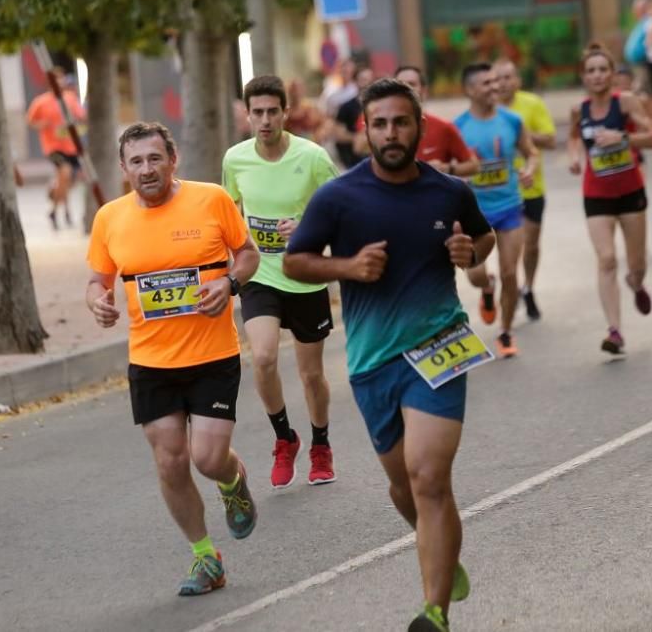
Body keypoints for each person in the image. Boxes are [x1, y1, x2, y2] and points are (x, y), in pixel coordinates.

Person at [284, 78, 496, 632]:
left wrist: (469, 252)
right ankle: (443, 556)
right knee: (403, 486)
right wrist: (347, 268)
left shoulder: (448, 191)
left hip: (439, 346)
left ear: (420, 127)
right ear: (365, 129)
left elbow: (483, 236)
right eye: (380, 123)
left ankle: (435, 612)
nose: (391, 133)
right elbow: (295, 262)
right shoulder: (338, 198)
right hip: (372, 361)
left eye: (401, 122)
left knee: (428, 478)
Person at [86, 122, 260, 596]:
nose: (147, 169)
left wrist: (229, 283)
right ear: (123, 168)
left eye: (154, 158)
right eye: (137, 161)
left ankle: (231, 479)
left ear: (172, 159)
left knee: (206, 458)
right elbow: (97, 280)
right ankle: (206, 560)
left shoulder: (210, 200)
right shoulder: (110, 218)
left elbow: (247, 253)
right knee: (169, 462)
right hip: (151, 360)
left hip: (212, 353)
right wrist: (97, 301)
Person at [222, 75, 340, 488]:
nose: (266, 120)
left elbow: (342, 210)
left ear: (286, 112)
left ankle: (320, 445)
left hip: (304, 275)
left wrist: (308, 227)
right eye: (258, 112)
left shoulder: (313, 158)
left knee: (311, 375)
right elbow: (230, 213)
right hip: (261, 275)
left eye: (273, 111)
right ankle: (284, 438)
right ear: (247, 115)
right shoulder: (235, 160)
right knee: (265, 357)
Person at [568, 44, 652, 355]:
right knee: (606, 259)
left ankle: (635, 284)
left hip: (631, 192)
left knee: (636, 265)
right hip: (596, 194)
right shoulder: (577, 110)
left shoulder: (625, 104)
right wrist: (574, 157)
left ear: (611, 74)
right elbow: (572, 137)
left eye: (602, 69)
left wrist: (622, 138)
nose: (597, 75)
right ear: (583, 76)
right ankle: (615, 331)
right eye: (590, 70)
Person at [454, 63, 538, 357]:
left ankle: (505, 331)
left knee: (509, 272)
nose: (493, 87)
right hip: (474, 214)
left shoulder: (512, 120)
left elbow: (531, 153)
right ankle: (487, 288)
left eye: (494, 82)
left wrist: (528, 169)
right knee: (475, 275)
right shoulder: (459, 127)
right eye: (485, 84)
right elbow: (450, 168)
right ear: (469, 90)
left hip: (509, 207)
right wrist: (457, 175)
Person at [494, 58, 557, 320]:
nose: (504, 83)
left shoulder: (531, 104)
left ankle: (528, 287)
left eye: (509, 77)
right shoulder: (488, 110)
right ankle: (512, 288)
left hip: (531, 189)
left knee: (530, 246)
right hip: (500, 194)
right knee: (509, 253)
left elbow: (551, 140)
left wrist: (522, 136)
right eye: (499, 78)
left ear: (518, 80)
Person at [354, 66, 480, 178]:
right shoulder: (376, 120)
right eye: (400, 85)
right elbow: (358, 148)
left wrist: (447, 169)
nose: (390, 133)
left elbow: (474, 166)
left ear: (424, 90)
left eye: (411, 84)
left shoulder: (443, 127)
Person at [26, 67, 87, 229]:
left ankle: (58, 209)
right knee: (65, 172)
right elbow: (30, 121)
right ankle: (60, 211)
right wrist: (43, 124)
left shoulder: (70, 98)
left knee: (67, 180)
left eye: (61, 79)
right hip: (52, 146)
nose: (59, 83)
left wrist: (79, 121)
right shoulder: (41, 101)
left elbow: (81, 116)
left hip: (71, 147)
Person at [333, 66, 375, 168]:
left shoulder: (381, 105)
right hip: (354, 162)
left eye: (370, 80)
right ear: (355, 81)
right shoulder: (346, 107)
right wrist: (357, 137)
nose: (368, 83)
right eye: (364, 80)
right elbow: (338, 135)